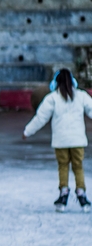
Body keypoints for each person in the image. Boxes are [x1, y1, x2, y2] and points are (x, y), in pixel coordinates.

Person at [23, 68, 92, 212]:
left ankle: (63, 193)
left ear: (55, 83)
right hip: (78, 140)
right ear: (73, 81)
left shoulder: (52, 98)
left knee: (63, 166)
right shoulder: (81, 96)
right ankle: (81, 194)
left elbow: (40, 118)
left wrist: (27, 131)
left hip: (60, 141)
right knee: (78, 166)